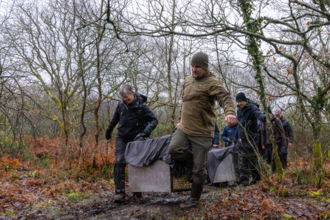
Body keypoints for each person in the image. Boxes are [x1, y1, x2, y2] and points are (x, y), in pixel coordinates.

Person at [168, 52, 236, 208]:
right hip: (185, 127)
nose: (194, 69)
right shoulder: (187, 80)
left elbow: (224, 97)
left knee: (200, 169)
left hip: (202, 131)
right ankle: (192, 163)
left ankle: (194, 199)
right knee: (173, 149)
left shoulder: (212, 82)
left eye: (197, 66)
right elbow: (184, 104)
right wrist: (180, 121)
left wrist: (230, 112)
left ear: (205, 67)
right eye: (192, 66)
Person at [105, 84, 158, 202]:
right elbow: (115, 119)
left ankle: (137, 192)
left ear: (132, 93)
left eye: (127, 97)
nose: (125, 100)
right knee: (119, 162)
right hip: (122, 138)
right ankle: (119, 193)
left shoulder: (141, 107)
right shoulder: (120, 105)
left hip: (136, 139)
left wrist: (145, 133)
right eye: (123, 98)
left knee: (135, 164)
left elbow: (154, 120)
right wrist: (108, 131)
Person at [234, 92, 266, 186]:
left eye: (241, 101)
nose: (240, 103)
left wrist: (265, 118)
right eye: (238, 102)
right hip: (242, 138)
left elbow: (259, 115)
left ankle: (256, 178)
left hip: (251, 138)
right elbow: (239, 124)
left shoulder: (252, 107)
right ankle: (244, 181)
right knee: (242, 159)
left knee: (252, 160)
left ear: (245, 100)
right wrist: (236, 137)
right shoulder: (239, 110)